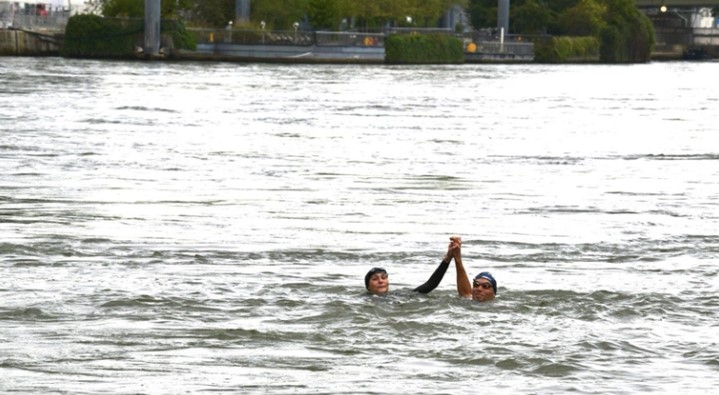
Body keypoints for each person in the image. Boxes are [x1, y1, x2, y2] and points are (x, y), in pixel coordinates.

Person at [364, 238, 460, 296]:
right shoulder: (363, 300)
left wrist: (447, 259)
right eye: (375, 279)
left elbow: (431, 284)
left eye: (384, 277)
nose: (381, 281)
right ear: (368, 287)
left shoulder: (399, 295)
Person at [451, 236, 497, 302]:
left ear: (494, 293)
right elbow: (466, 293)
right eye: (476, 285)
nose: (479, 289)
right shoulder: (468, 301)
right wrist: (457, 255)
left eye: (485, 286)